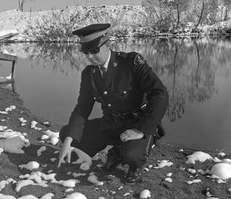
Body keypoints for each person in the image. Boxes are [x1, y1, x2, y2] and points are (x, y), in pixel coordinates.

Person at [57, 23, 169, 183]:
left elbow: (160, 94)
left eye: (94, 50)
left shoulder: (131, 63)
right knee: (67, 134)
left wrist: (141, 130)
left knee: (132, 155)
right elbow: (82, 108)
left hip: (136, 123)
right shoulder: (89, 74)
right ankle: (117, 151)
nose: (90, 56)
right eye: (86, 52)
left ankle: (134, 164)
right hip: (110, 123)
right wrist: (68, 141)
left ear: (106, 44)